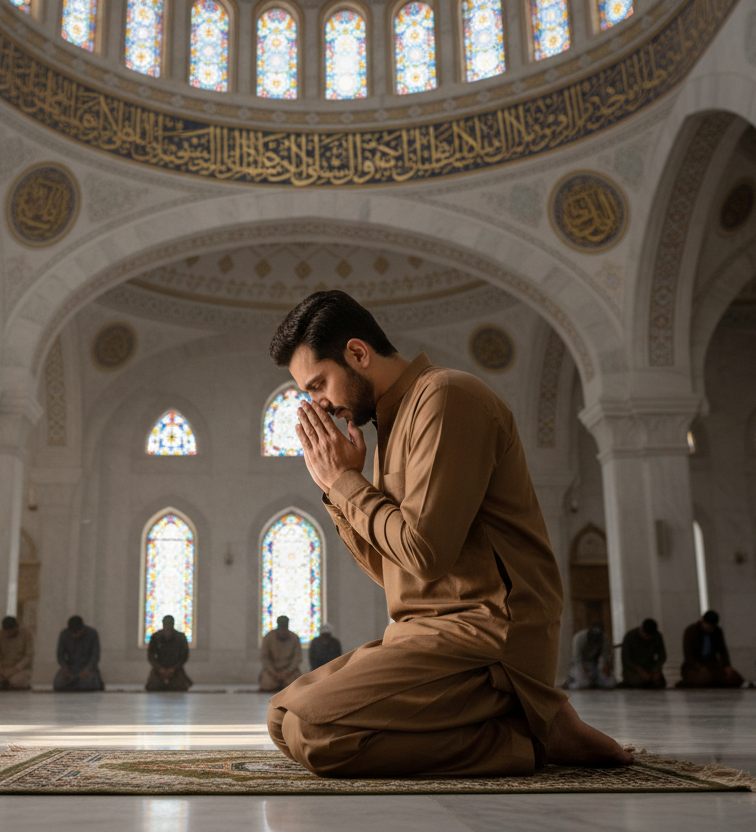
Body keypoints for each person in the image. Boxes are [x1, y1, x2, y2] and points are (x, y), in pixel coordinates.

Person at [264, 290, 631, 778]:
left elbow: (425, 554)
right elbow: (395, 572)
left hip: (488, 637)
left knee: (316, 735)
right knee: (281, 717)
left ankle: (526, 738)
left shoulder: (446, 397)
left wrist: (345, 484)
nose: (320, 405)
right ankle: (527, 721)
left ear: (357, 353)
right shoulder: (387, 429)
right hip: (425, 636)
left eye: (318, 385)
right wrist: (337, 495)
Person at [679, 610, 744, 688]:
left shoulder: (717, 631)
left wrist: (727, 666)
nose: (710, 629)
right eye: (708, 626)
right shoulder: (691, 631)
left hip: (712, 664)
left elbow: (722, 650)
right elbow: (688, 655)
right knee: (703, 679)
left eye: (712, 627)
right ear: (702, 620)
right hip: (694, 666)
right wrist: (699, 667)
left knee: (735, 679)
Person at [54, 615, 104, 691]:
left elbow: (95, 655)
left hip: (87, 668)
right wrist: (64, 667)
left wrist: (88, 669)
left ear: (82, 629)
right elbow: (60, 654)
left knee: (88, 683)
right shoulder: (64, 634)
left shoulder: (92, 634)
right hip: (70, 668)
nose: (74, 635)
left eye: (76, 632)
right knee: (58, 684)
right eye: (72, 632)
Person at [0, 616, 34, 690]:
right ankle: (5, 683)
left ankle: (10, 683)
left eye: (10, 631)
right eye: (6, 631)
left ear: (16, 627)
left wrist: (16, 668)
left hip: (20, 670)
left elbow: (28, 656)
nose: (7, 634)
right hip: (2, 669)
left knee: (16, 682)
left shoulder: (26, 634)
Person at [145, 615, 192, 692]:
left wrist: (174, 668)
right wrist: (159, 669)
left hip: (176, 669)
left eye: (169, 626)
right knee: (152, 686)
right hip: (159, 668)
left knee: (179, 687)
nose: (167, 628)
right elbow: (151, 656)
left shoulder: (180, 637)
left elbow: (184, 656)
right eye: (166, 625)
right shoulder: (156, 637)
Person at [564, 622, 616, 690]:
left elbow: (606, 659)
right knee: (582, 684)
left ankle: (595, 682)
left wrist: (606, 674)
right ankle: (570, 681)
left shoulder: (604, 639)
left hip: (595, 664)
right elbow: (578, 659)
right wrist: (585, 675)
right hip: (581, 664)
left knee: (610, 683)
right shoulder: (579, 638)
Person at [260, 616, 304, 692]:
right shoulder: (268, 638)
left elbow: (297, 658)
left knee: (295, 684)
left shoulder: (295, 638)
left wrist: (287, 672)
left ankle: (283, 684)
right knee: (267, 684)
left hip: (290, 673)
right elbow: (265, 658)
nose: (283, 629)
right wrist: (273, 673)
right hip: (273, 672)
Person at [620, 618, 667, 689]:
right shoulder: (630, 636)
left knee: (659, 682)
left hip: (650, 668)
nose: (648, 638)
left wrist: (656, 669)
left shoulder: (657, 637)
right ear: (641, 630)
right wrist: (638, 670)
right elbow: (626, 659)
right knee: (637, 681)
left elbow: (662, 656)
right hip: (633, 670)